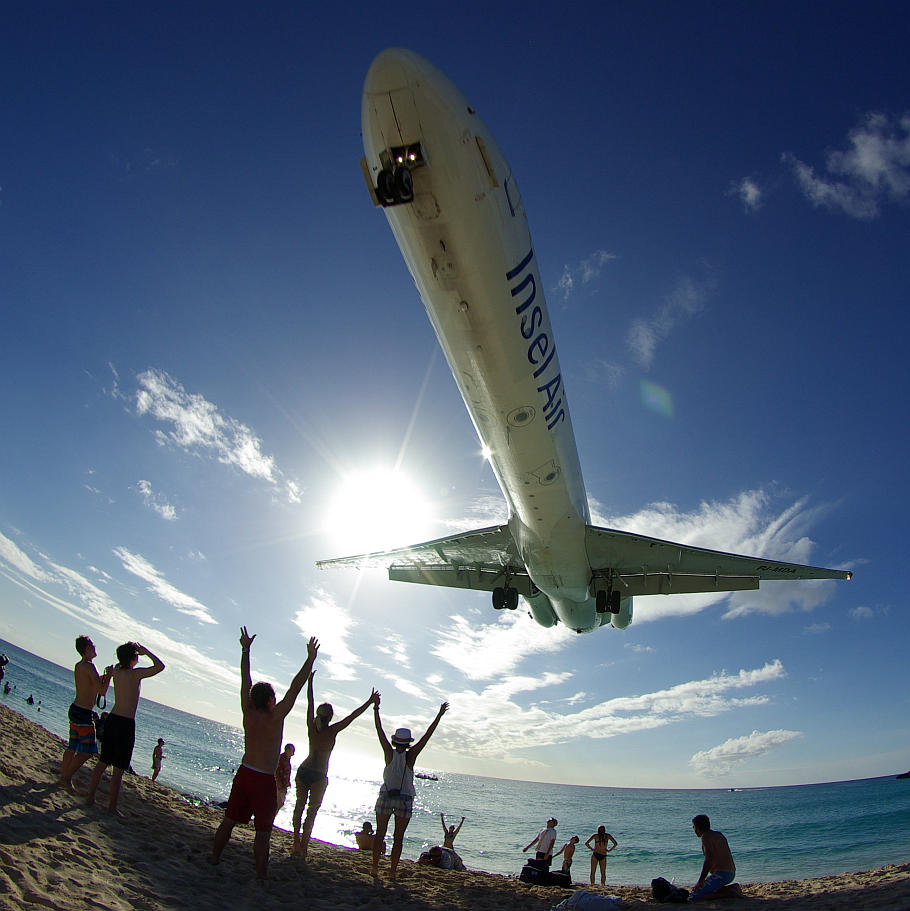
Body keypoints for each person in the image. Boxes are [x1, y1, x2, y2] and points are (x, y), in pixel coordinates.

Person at [210, 629, 317, 879]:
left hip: (244, 772)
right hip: (262, 780)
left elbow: (245, 680)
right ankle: (260, 875)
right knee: (263, 833)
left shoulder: (248, 713)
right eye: (274, 697)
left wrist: (245, 650)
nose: (277, 699)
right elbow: (295, 688)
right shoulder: (275, 717)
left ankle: (214, 857)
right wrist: (310, 659)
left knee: (228, 821)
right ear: (270, 700)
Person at [292, 670, 378, 859]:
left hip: (306, 770)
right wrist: (370, 701)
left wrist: (310, 681)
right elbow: (353, 716)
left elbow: (310, 703)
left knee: (300, 808)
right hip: (318, 775)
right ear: (330, 717)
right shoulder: (332, 731)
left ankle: (297, 843)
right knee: (310, 812)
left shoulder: (313, 727)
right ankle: (303, 845)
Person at [371, 697, 448, 881]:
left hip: (386, 795)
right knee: (398, 838)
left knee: (380, 833)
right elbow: (426, 737)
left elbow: (379, 730)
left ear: (396, 741)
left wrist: (376, 708)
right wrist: (439, 715)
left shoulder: (388, 753)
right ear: (407, 743)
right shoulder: (411, 756)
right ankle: (392, 871)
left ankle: (374, 868)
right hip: (405, 798)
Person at [85, 642, 164, 814]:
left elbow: (108, 679)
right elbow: (160, 666)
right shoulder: (135, 675)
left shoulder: (116, 672)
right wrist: (147, 652)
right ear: (133, 657)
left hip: (113, 720)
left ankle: (90, 796)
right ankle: (111, 807)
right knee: (118, 769)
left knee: (103, 762)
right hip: (126, 723)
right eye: (136, 654)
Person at [59, 635, 112, 793]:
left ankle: (63, 776)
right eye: (93, 645)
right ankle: (66, 778)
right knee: (88, 751)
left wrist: (105, 676)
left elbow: (91, 682)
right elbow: (101, 690)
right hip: (83, 713)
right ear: (87, 648)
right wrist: (109, 676)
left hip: (76, 708)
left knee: (72, 747)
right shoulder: (89, 666)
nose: (95, 647)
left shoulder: (80, 665)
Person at [690, 814, 736, 901]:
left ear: (698, 827)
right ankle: (730, 888)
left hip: (722, 874)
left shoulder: (706, 837)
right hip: (730, 872)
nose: (694, 829)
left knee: (694, 896)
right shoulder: (718, 834)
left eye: (694, 827)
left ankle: (729, 893)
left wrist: (701, 880)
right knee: (705, 889)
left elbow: (709, 859)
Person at [275, 743, 294, 810]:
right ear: (287, 750)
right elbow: (276, 772)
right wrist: (279, 785)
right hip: (278, 786)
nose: (293, 753)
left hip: (283, 785)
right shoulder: (281, 759)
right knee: (277, 803)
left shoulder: (287, 760)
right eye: (292, 750)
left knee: (280, 803)